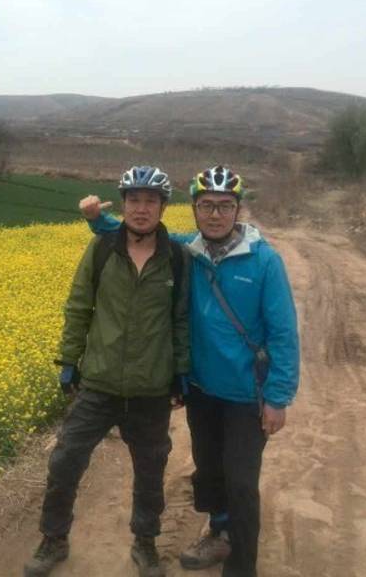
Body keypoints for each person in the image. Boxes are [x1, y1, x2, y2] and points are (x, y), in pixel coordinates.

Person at [80, 165, 299, 577]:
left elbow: (284, 334)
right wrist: (96, 219)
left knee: (240, 481)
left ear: (237, 209)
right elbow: (137, 230)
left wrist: (278, 397)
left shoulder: (264, 261)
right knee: (209, 470)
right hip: (201, 388)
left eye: (224, 206)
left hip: (247, 395)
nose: (215, 214)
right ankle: (219, 531)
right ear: (194, 209)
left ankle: (242, 566)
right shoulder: (187, 252)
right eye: (206, 205)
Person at [24, 166, 191, 577]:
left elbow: (181, 321)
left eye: (150, 201)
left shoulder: (177, 258)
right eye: (134, 200)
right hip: (99, 382)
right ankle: (53, 539)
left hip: (151, 388)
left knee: (150, 470)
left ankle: (145, 543)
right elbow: (79, 306)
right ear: (124, 204)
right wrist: (69, 361)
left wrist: (180, 373)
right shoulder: (101, 250)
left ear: (163, 208)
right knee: (65, 461)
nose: (141, 208)